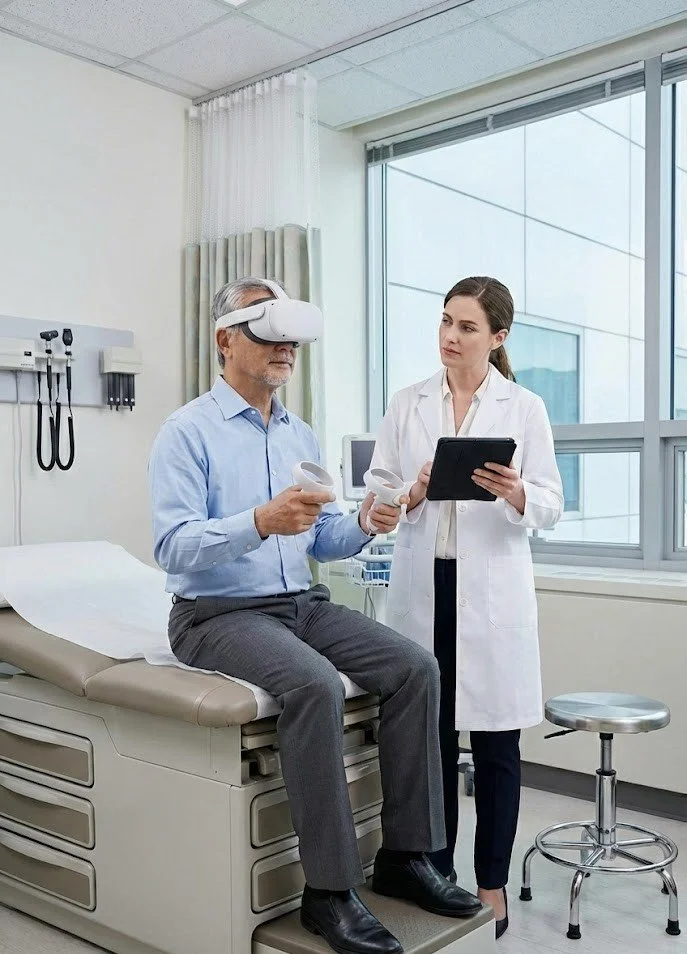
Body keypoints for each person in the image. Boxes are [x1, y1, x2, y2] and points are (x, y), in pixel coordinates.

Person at [148, 277, 482, 954]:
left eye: (292, 339)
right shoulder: (187, 432)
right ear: (225, 340)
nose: (287, 350)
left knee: (416, 666)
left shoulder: (297, 430)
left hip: (300, 603)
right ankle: (327, 892)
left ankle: (406, 855)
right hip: (213, 613)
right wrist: (256, 522)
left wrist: (364, 521)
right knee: (313, 684)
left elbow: (321, 538)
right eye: (269, 335)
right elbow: (171, 547)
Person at [371, 276, 563, 940]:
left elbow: (550, 503)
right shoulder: (408, 403)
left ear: (497, 337)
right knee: (430, 744)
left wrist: (514, 493)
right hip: (426, 591)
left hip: (491, 597)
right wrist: (412, 489)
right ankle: (438, 875)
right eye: (445, 323)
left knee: (496, 746)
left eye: (466, 327)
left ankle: (491, 885)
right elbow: (378, 493)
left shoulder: (523, 407)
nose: (450, 337)